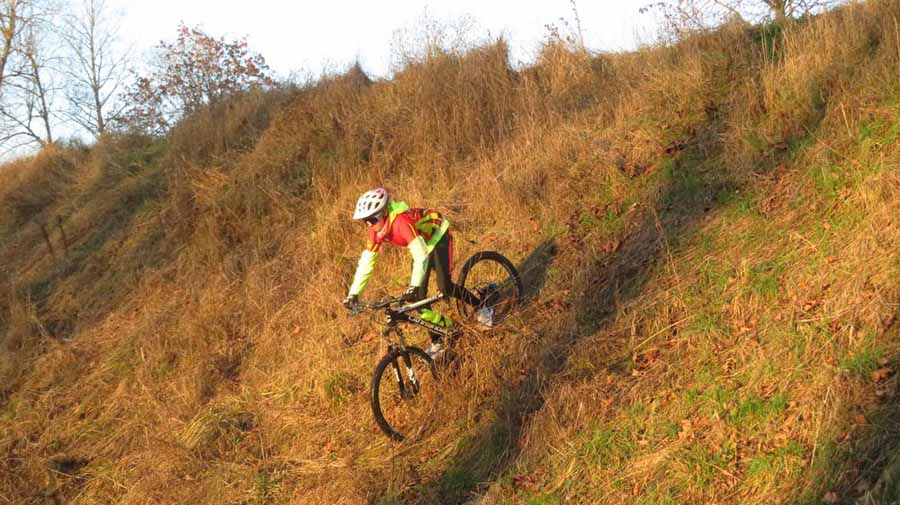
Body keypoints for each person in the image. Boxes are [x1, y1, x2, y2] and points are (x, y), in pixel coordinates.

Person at [342, 188, 479, 359]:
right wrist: (353, 293)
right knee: (418, 300)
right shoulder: (375, 231)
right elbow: (367, 262)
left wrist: (414, 285)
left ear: (383, 213)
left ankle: (481, 306)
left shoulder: (401, 222)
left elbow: (420, 254)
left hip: (437, 234)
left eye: (372, 220)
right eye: (365, 221)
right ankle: (440, 336)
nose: (369, 225)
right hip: (421, 243)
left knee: (445, 287)